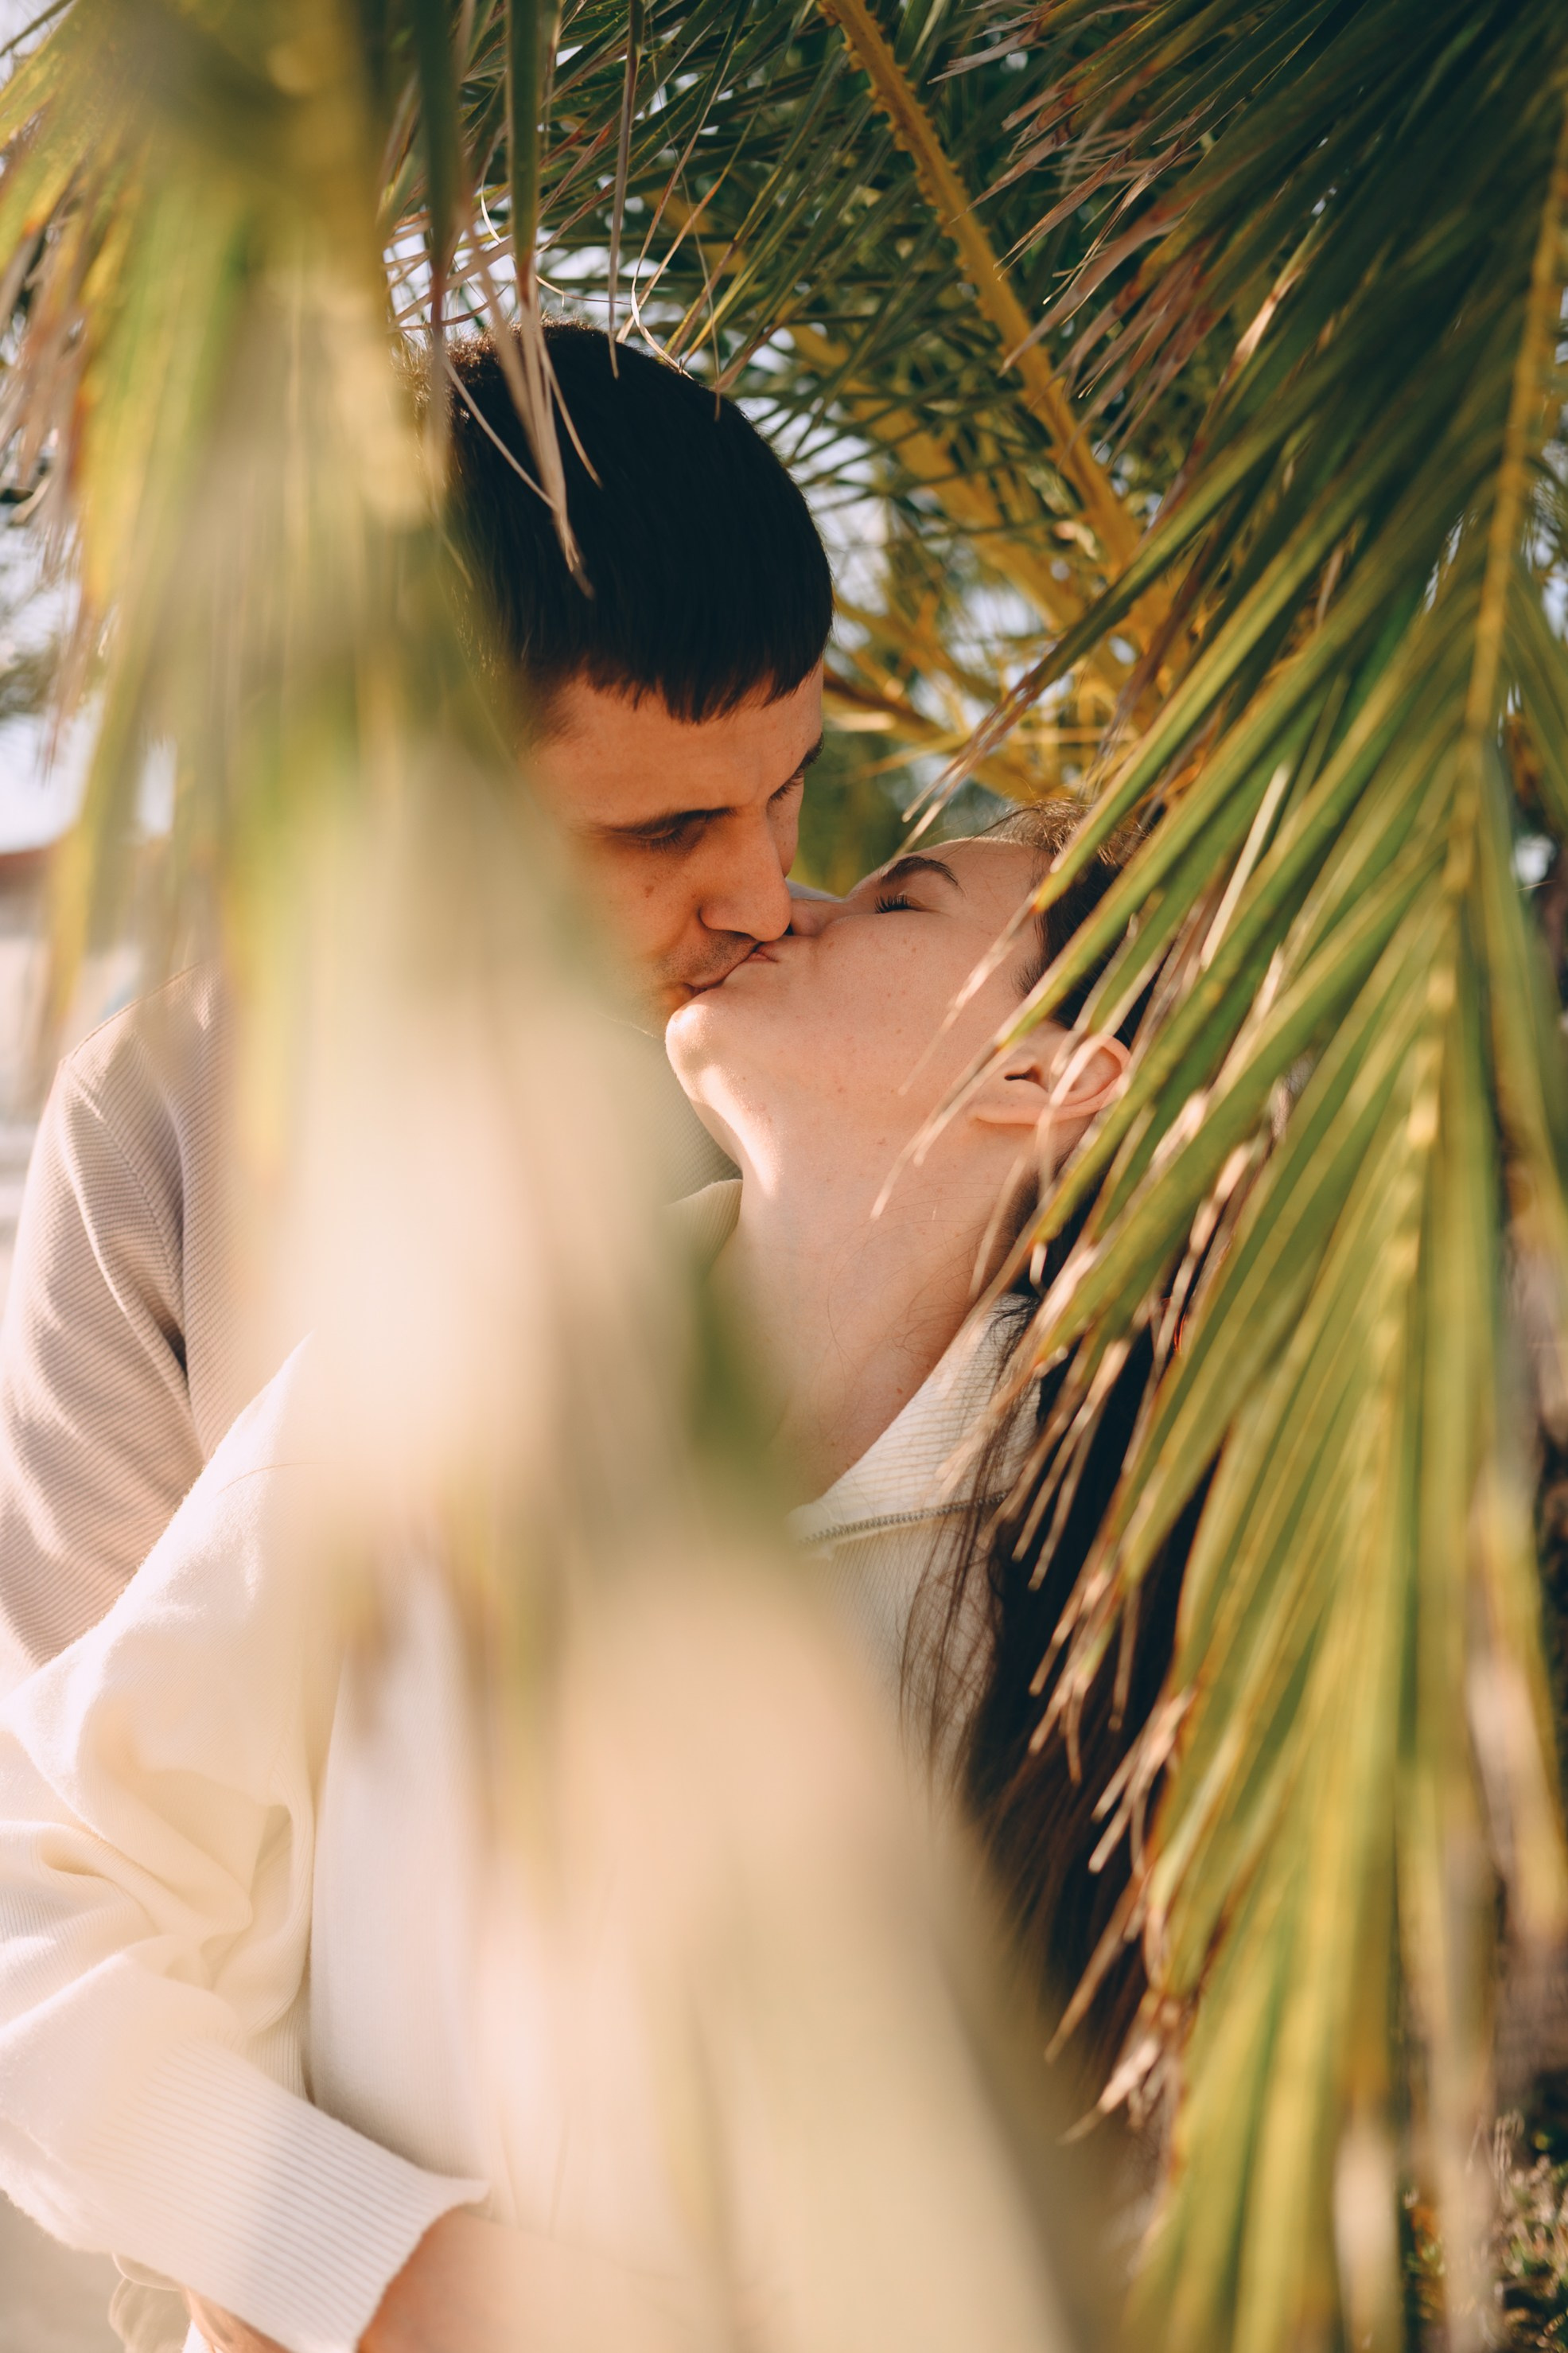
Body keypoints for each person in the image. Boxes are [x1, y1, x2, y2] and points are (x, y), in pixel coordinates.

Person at [0, 816, 1131, 2353]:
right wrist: (374, 2271)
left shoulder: (1100, 1623)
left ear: (1048, 1078)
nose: (790, 905)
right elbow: (40, 1922)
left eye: (902, 897)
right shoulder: (437, 1378)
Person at [0, 320, 831, 1667]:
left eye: (787, 787)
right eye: (664, 831)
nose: (767, 898)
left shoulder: (903, 1027)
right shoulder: (152, 1131)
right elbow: (73, 1797)